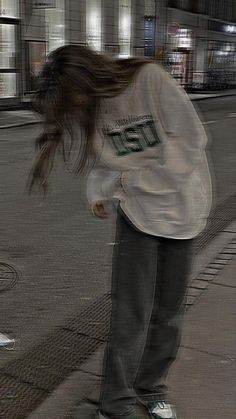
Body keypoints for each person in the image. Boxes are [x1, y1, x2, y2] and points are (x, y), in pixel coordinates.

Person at [29, 44, 212, 419]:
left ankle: (152, 386)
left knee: (168, 311)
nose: (78, 109)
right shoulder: (94, 108)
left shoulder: (149, 80)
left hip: (182, 209)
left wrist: (131, 183)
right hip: (137, 214)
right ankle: (115, 404)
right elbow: (110, 160)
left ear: (87, 76)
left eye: (75, 99)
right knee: (130, 312)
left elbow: (190, 141)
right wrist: (100, 191)